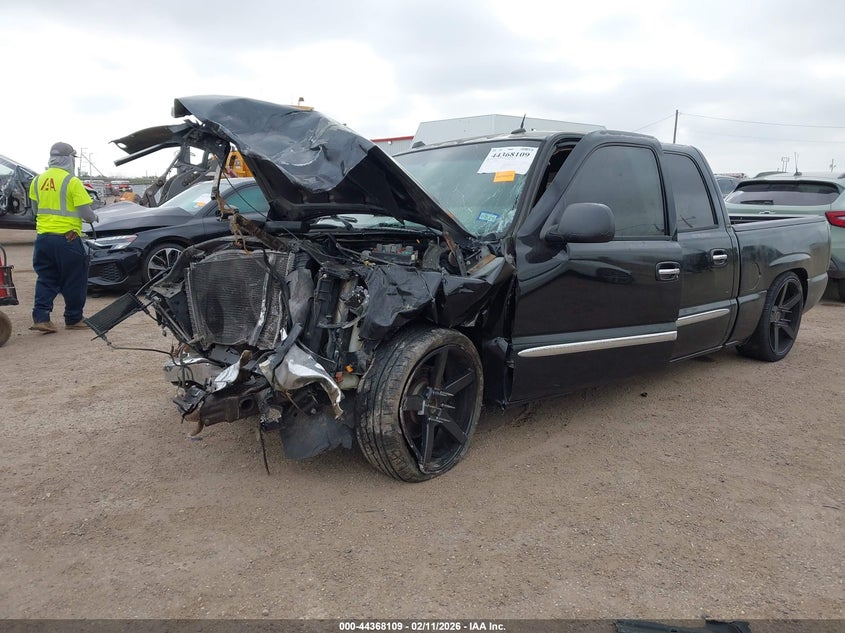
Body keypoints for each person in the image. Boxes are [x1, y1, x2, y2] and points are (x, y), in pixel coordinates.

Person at [27, 142, 98, 333]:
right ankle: (74, 318)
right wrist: (94, 217)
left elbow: (35, 210)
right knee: (75, 278)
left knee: (46, 277)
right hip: (68, 238)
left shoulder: (37, 180)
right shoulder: (72, 181)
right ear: (68, 159)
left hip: (43, 238)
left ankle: (41, 318)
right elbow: (86, 214)